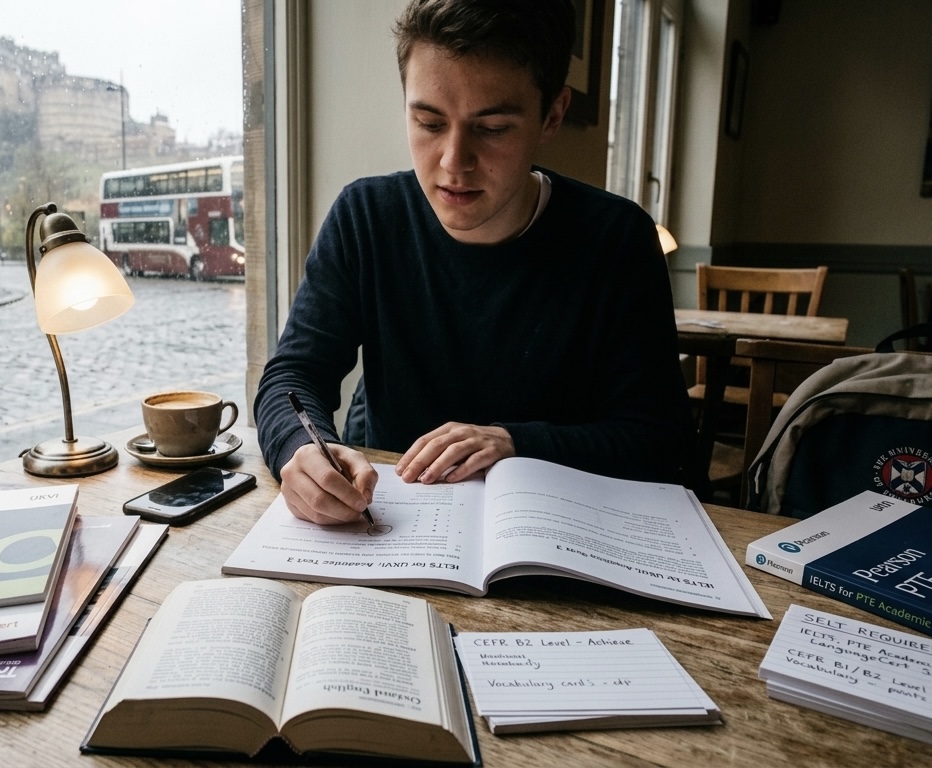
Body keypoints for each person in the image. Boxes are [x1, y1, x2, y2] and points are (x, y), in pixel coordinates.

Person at [253, 0, 695, 526]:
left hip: (562, 531)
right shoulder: (366, 217)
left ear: (552, 115)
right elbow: (294, 374)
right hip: (395, 530)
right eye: (428, 122)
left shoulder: (619, 239)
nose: (452, 162)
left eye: (493, 128)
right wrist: (301, 448)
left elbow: (660, 440)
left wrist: (516, 443)